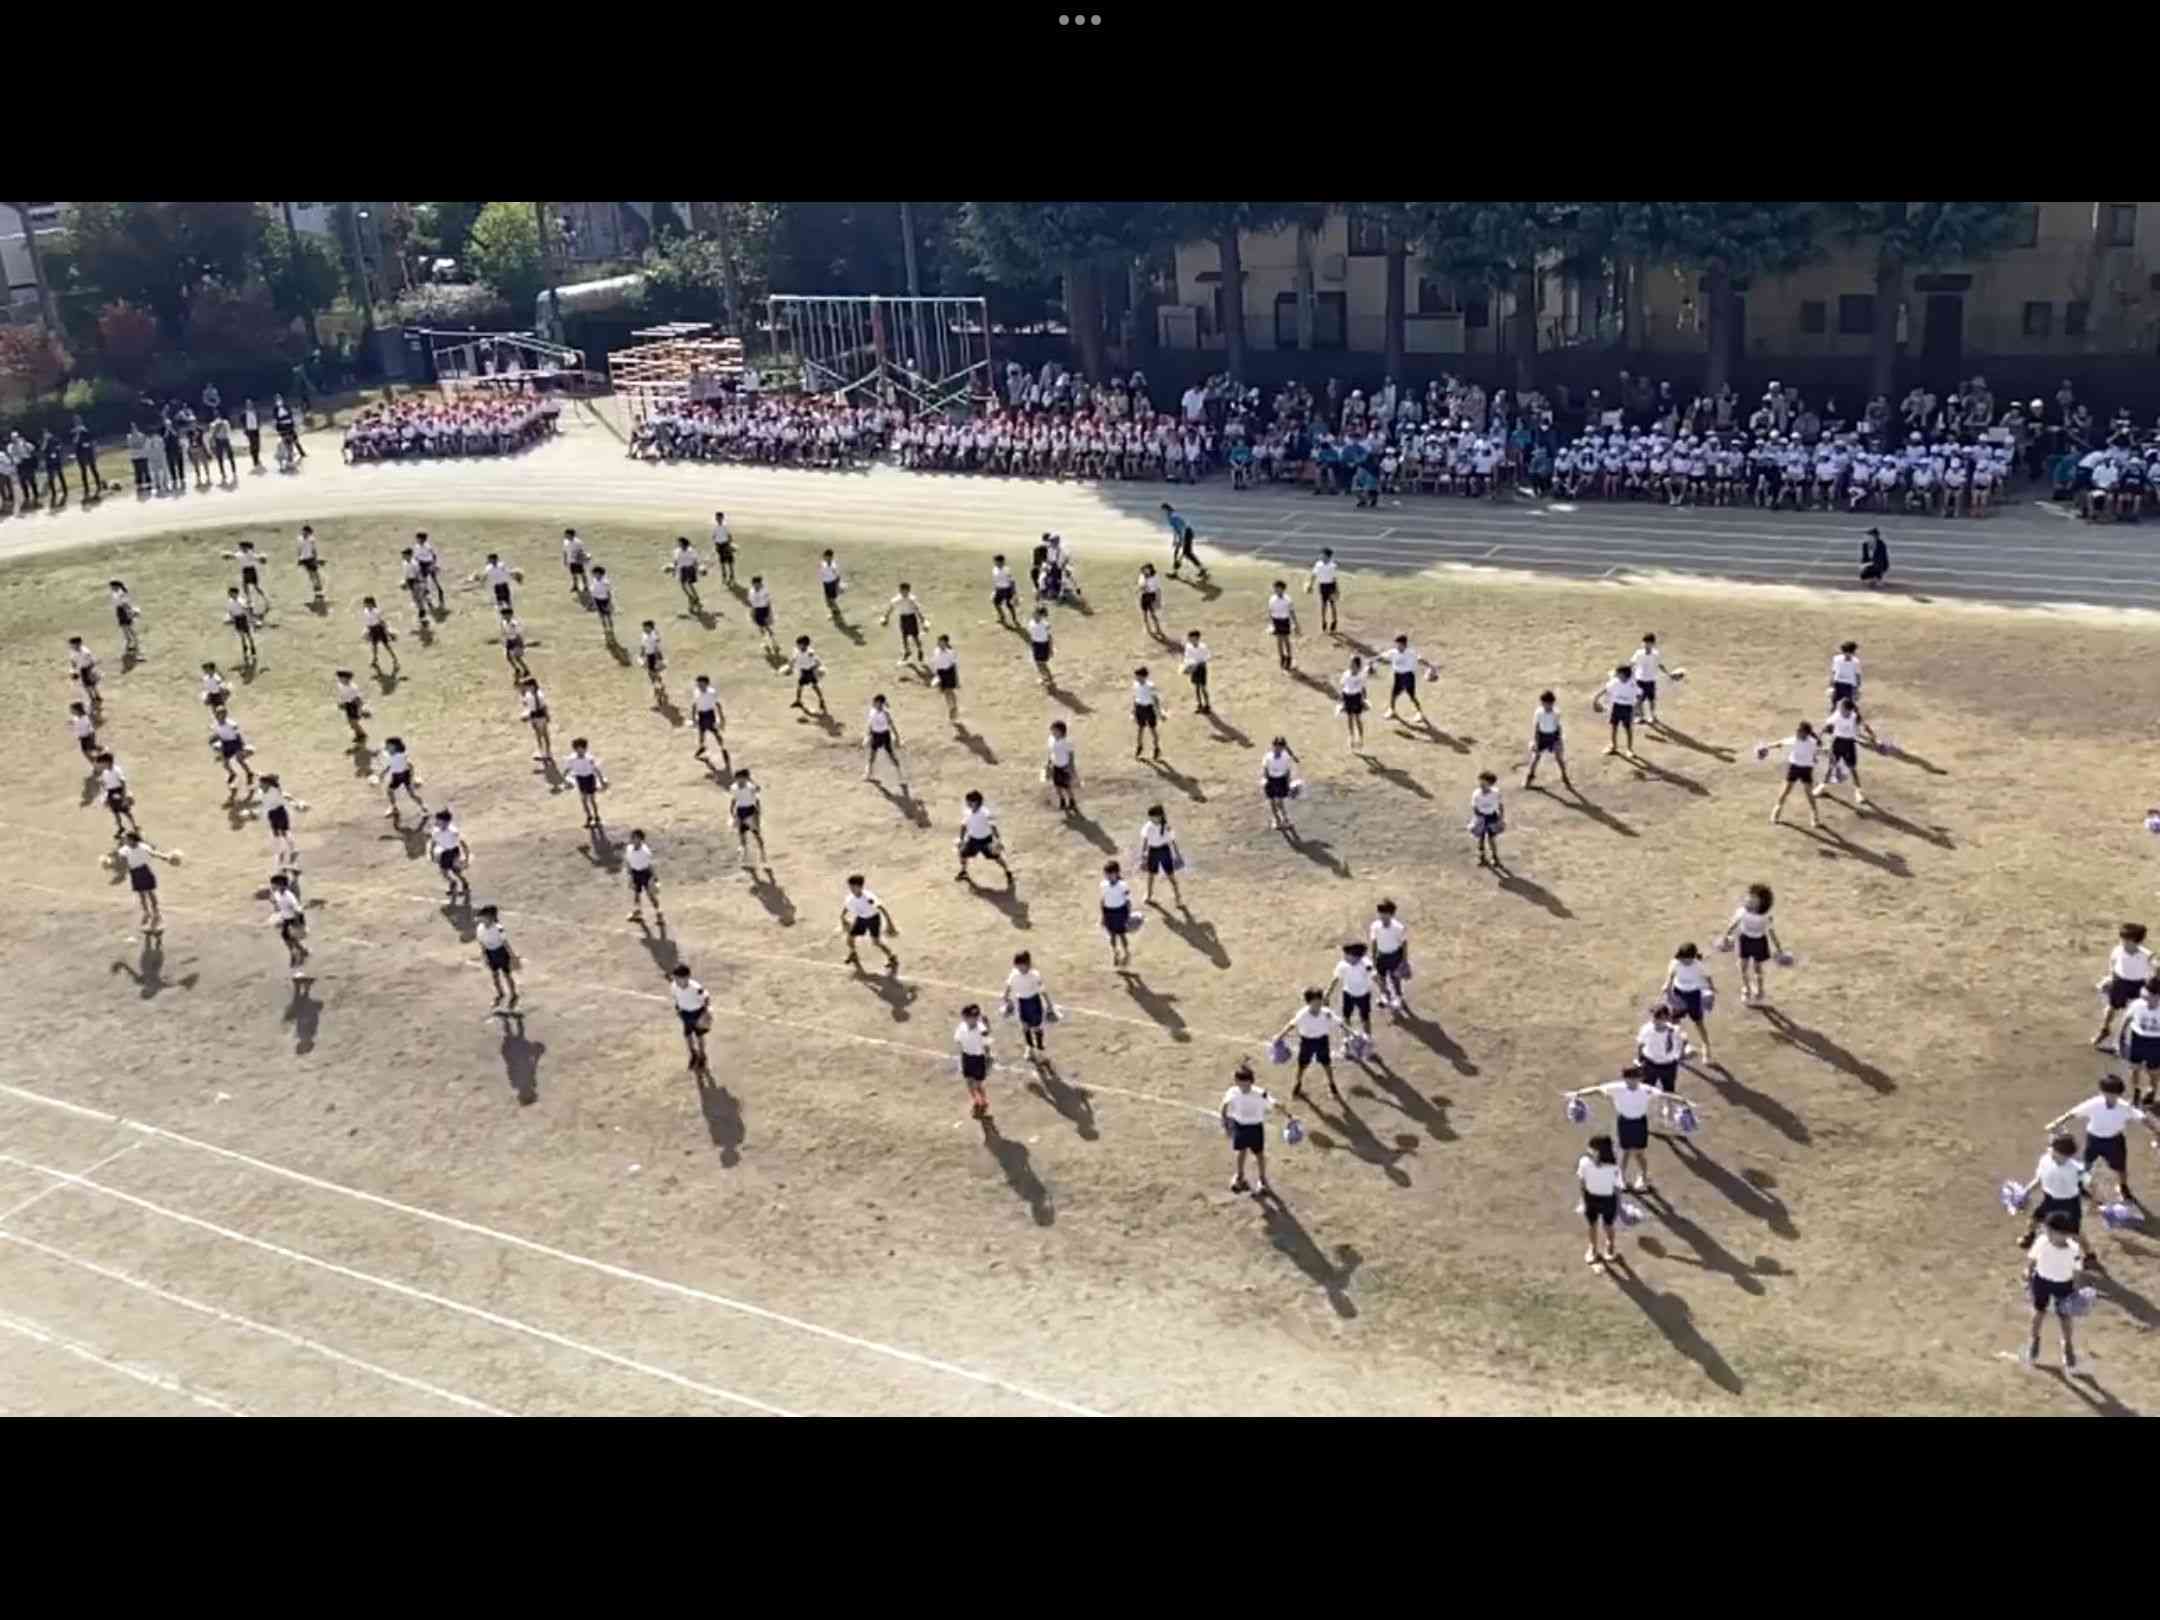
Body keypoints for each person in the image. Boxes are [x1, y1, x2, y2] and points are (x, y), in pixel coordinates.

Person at [1565, 1069, 1688, 1194]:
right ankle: (1622, 1178)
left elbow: (1663, 1095)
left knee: (1639, 1153)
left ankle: (1643, 1177)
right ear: (1625, 1079)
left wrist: (1682, 1101)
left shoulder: (1645, 1089)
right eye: (1629, 1079)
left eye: (1635, 1079)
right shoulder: (1617, 1088)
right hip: (1624, 1123)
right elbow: (1597, 1089)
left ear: (1639, 1079)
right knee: (1625, 1152)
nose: (1632, 1082)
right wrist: (1578, 1093)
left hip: (1640, 1123)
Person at [2045, 1075, 2155, 1212]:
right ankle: (2080, 1184)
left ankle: (2123, 1187)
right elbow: (2073, 1113)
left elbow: (2142, 1118)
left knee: (2120, 1168)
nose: (2111, 1097)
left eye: (2114, 1094)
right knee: (2087, 1165)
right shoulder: (2094, 1103)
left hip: (2114, 1141)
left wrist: (2156, 1131)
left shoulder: (2124, 1107)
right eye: (2108, 1093)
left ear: (2119, 1094)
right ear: (2103, 1092)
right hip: (2094, 1139)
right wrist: (2056, 1123)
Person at [2022, 1211, 2087, 1373]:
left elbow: (2077, 1271)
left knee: (2065, 1317)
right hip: (2041, 1282)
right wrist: (2027, 1273)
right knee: (2038, 1313)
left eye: (2050, 1231)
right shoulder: (2042, 1242)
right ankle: (2034, 1341)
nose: (2046, 1233)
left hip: (2064, 1285)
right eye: (2046, 1230)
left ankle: (2067, 1345)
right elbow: (2032, 1259)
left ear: (2064, 1234)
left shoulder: (2074, 1249)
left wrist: (2076, 1291)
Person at [1275, 988, 1347, 1105]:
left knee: (1326, 1064)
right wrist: (1280, 1036)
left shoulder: (1326, 1013)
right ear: (1308, 1002)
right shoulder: (1302, 1014)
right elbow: (1291, 1025)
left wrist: (1352, 1033)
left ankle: (1332, 1084)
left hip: (1322, 1041)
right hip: (1307, 1042)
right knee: (1302, 1065)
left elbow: (1340, 1023)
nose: (1318, 1004)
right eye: (1315, 1002)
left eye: (1319, 1001)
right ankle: (1298, 1084)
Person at [1719, 883, 1784, 1006]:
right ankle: (1746, 989)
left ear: (1762, 903)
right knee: (1743, 966)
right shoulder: (1742, 912)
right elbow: (1733, 925)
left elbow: (1771, 932)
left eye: (1754, 899)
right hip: (1745, 940)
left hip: (1759, 942)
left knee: (1757, 968)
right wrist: (1725, 937)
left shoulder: (1765, 917)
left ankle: (1760, 990)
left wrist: (1779, 948)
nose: (1749, 900)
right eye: (1749, 897)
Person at [2093, 923, 2154, 1050]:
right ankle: (2105, 1029)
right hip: (2120, 982)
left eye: (2126, 940)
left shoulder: (2146, 955)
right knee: (2111, 1008)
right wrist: (2109, 978)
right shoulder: (2118, 950)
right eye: (2122, 939)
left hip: (2139, 984)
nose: (2122, 942)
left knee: (2134, 1011)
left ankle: (2124, 1036)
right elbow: (2113, 963)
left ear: (2136, 942)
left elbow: (2155, 967)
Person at [1634, 1000, 1694, 1123]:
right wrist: (1640, 1061)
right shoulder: (1647, 1029)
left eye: (1658, 1018)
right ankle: (1639, 1111)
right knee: (1645, 1088)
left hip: (1668, 1065)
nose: (1655, 1021)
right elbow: (1640, 1045)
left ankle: (1669, 1111)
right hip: (1650, 1064)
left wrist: (1683, 1053)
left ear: (1666, 1018)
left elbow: (1682, 1044)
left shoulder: (1675, 1031)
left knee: (1669, 1089)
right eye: (1654, 1018)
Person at [1221, 1063, 1275, 1196]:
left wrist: (1289, 1115)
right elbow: (1224, 1105)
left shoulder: (1260, 1093)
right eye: (1240, 1083)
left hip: (1256, 1127)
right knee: (1241, 1151)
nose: (1243, 1087)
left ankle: (1262, 1180)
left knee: (1259, 1154)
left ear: (1251, 1082)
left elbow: (1273, 1102)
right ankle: (1240, 1176)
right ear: (1236, 1082)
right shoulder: (1233, 1091)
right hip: (1240, 1126)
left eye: (1246, 1084)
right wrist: (1225, 1121)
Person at [1577, 1134, 1624, 1266]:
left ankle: (1593, 1248)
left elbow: (1582, 1182)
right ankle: (1610, 1246)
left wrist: (1583, 1201)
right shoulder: (1614, 1167)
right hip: (1608, 1199)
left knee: (1592, 1225)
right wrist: (1619, 1206)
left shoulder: (1584, 1162)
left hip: (1591, 1198)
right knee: (1608, 1224)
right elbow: (1617, 1187)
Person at [1767, 722, 1823, 828]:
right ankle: (1777, 810)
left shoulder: (1813, 742)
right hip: (1794, 768)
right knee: (1785, 791)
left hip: (1806, 769)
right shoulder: (1794, 740)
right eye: (1797, 731)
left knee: (1809, 794)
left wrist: (1819, 755)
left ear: (1805, 733)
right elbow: (1780, 743)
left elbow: (1817, 752)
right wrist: (1767, 746)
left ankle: (1814, 815)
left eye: (1799, 731)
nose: (1797, 732)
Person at [1819, 698, 1870, 809]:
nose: (1838, 709)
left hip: (1849, 744)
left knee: (1852, 768)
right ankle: (1822, 787)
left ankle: (1859, 793)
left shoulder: (1854, 716)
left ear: (1847, 710)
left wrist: (1872, 737)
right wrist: (1819, 737)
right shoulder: (1837, 715)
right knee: (1831, 766)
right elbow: (1826, 726)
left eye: (1841, 707)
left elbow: (1865, 726)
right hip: (1837, 742)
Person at [840, 874, 898, 970]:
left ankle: (892, 957)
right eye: (850, 887)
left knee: (876, 942)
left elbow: (881, 908)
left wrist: (890, 923)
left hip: (873, 920)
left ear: (860, 887)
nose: (851, 889)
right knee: (850, 938)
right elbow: (847, 906)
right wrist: (842, 916)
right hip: (861, 919)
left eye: (853, 887)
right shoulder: (850, 898)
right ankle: (853, 953)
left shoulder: (869, 898)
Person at [115, 830, 168, 936]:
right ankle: (146, 912)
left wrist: (164, 857)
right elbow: (122, 861)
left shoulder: (142, 847)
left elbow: (153, 853)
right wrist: (111, 863)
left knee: (150, 892)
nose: (124, 840)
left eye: (125, 838)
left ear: (132, 839)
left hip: (144, 870)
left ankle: (155, 910)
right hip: (134, 873)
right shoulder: (124, 850)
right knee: (141, 894)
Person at [1826, 641, 1879, 745]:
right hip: (1838, 685)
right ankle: (1830, 726)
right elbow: (1834, 672)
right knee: (1834, 706)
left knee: (1852, 709)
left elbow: (1858, 676)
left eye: (1849, 653)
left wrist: (1857, 689)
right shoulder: (1837, 659)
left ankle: (1865, 731)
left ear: (1853, 652)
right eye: (1845, 652)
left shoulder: (1855, 662)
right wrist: (1831, 685)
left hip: (1849, 687)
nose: (1847, 655)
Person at [1004, 950, 1054, 1060]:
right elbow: (1009, 985)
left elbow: (1042, 990)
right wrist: (1006, 997)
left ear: (1028, 964)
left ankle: (1040, 1049)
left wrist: (1049, 1004)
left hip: (1034, 1003)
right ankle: (1030, 1047)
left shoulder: (1034, 975)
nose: (1020, 968)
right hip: (1021, 1002)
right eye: (1018, 966)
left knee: (1037, 1027)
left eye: (1023, 966)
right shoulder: (1014, 974)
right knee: (1025, 1026)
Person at [2121, 978, 2160, 1108]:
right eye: (2145, 997)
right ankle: (2135, 1093)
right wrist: (2120, 1036)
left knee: (2153, 1071)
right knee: (2134, 1068)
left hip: (2156, 1042)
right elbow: (2127, 1018)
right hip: (2137, 1038)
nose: (2147, 1001)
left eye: (2150, 998)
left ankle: (2152, 1090)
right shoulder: (2137, 1004)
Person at [666, 963, 713, 1071]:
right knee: (687, 1035)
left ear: (687, 977)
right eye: (675, 978)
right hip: (685, 1013)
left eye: (678, 978)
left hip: (697, 1013)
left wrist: (705, 1013)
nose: (676, 980)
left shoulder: (696, 988)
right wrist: (678, 1009)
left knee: (699, 1036)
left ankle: (702, 1056)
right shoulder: (674, 985)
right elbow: (676, 997)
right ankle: (693, 1054)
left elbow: (706, 998)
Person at [1522, 689, 1572, 790]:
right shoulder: (1538, 712)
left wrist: (1559, 741)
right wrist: (1536, 742)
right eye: (1544, 703)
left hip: (1553, 736)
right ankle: (1529, 778)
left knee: (1559, 758)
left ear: (1552, 703)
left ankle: (1564, 776)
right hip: (1542, 736)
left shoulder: (1556, 713)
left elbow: (1558, 727)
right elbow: (1536, 727)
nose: (1546, 706)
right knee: (1535, 757)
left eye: (1549, 703)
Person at [1135, 804, 1183, 907]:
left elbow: (1173, 841)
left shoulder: (1166, 827)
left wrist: (1178, 855)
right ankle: (1148, 895)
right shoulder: (1148, 826)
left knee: (1171, 876)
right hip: (1152, 852)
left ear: (1160, 816)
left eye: (1153, 817)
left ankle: (1178, 898)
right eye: (1150, 817)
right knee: (1151, 875)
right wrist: (1143, 855)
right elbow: (1145, 840)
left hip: (1164, 852)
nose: (1151, 819)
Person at [954, 1004, 996, 1121]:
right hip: (967, 1057)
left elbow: (987, 1044)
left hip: (978, 1059)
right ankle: (977, 1101)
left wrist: (988, 1058)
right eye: (972, 1016)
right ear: (965, 1017)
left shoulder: (981, 1030)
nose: (975, 1019)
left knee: (977, 1084)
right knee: (969, 1082)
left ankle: (983, 1102)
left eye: (976, 1016)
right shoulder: (961, 1027)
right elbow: (958, 1041)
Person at [1328, 942, 1379, 1036]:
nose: (1344, 957)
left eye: (1347, 955)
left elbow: (1375, 977)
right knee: (1346, 1016)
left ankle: (1368, 1037)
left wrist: (1384, 991)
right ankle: (1347, 1038)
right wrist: (1327, 994)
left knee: (1365, 1017)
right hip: (1348, 994)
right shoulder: (1342, 965)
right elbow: (1335, 979)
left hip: (1363, 995)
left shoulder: (1366, 964)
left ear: (1356, 956)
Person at [267, 873, 311, 980]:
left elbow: (298, 911)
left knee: (293, 943)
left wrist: (297, 925)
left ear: (281, 884)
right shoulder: (278, 893)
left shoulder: (289, 896)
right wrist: (275, 904)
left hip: (294, 921)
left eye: (274, 884)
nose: (272, 886)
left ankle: (299, 967)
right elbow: (277, 903)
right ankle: (302, 951)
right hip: (286, 920)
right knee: (286, 939)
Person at [1592, 664, 1640, 758]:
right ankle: (1613, 746)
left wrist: (1636, 708)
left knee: (1628, 729)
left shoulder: (1632, 684)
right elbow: (1605, 689)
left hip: (1627, 708)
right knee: (1614, 727)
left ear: (1623, 675)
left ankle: (1629, 749)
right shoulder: (1614, 682)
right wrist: (1596, 697)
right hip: (1616, 707)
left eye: (1618, 673)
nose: (1616, 675)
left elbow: (1639, 695)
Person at [476, 905, 520, 1008]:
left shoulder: (498, 928)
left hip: (500, 952)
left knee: (507, 975)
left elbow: (505, 943)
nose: (482, 918)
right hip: (490, 953)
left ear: (490, 917)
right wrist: (484, 955)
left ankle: (513, 994)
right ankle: (500, 993)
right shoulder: (480, 928)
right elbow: (481, 943)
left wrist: (512, 956)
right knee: (494, 975)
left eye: (484, 916)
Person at [256, 773, 301, 875]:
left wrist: (295, 803)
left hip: (280, 812)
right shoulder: (260, 792)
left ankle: (293, 851)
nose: (260, 785)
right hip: (271, 814)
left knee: (284, 832)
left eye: (262, 784)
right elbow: (262, 804)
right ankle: (281, 857)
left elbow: (285, 795)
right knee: (276, 834)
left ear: (268, 784)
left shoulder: (275, 790)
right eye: (260, 784)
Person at [376, 737, 427, 824]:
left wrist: (413, 777)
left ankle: (424, 808)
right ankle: (394, 808)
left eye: (389, 746)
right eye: (387, 746)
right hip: (396, 776)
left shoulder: (402, 755)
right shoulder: (388, 755)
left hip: (405, 775)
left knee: (412, 794)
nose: (387, 747)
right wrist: (383, 773)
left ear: (395, 747)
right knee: (390, 791)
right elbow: (389, 765)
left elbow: (410, 765)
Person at [863, 694, 908, 790]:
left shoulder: (885, 713)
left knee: (891, 756)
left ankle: (901, 776)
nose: (874, 703)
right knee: (872, 756)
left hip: (884, 735)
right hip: (875, 735)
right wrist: (867, 736)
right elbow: (870, 725)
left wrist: (897, 738)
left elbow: (892, 725)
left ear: (880, 703)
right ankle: (868, 774)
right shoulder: (872, 712)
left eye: (876, 702)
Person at [427, 808, 472, 903]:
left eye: (439, 820)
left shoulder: (453, 832)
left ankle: (465, 885)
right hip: (444, 853)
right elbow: (433, 842)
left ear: (446, 822)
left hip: (453, 853)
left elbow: (463, 844)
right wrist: (431, 852)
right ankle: (454, 884)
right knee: (444, 872)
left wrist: (466, 858)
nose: (437, 822)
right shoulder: (436, 830)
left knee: (456, 872)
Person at [208, 706, 256, 792]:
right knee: (225, 764)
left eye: (223, 714)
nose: (221, 716)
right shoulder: (214, 724)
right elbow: (217, 735)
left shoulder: (231, 724)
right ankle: (232, 774)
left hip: (235, 743)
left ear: (226, 715)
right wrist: (214, 743)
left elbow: (238, 736)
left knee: (239, 760)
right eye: (219, 714)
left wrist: (241, 747)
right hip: (225, 743)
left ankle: (249, 773)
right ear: (216, 715)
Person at [564, 739, 609, 828]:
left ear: (585, 749)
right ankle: (589, 817)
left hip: (589, 778)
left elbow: (596, 770)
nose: (580, 751)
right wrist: (563, 779)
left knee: (592, 800)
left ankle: (597, 817)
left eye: (581, 749)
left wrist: (601, 781)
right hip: (580, 779)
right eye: (577, 749)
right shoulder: (572, 759)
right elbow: (568, 769)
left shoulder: (589, 759)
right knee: (584, 800)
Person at [1383, 635, 1428, 725]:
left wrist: (1429, 665)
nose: (1397, 646)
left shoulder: (1410, 653)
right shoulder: (1393, 652)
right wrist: (1372, 662)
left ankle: (1420, 713)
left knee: (1411, 696)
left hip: (1408, 676)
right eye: (1397, 644)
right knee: (1393, 695)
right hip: (1398, 676)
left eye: (1399, 644)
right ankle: (1392, 710)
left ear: (1404, 644)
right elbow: (1384, 656)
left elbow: (1419, 659)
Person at [1260, 736, 1300, 834]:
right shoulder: (1268, 756)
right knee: (1272, 801)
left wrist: (1288, 783)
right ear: (1273, 746)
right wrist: (1265, 779)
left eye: (1280, 747)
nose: (1278, 749)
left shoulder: (1285, 757)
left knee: (1280, 802)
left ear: (1282, 747)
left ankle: (1285, 819)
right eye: (1276, 746)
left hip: (1281, 780)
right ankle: (1277, 820)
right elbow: (1265, 769)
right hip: (1271, 780)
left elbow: (1287, 771)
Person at [1098, 859, 1135, 967]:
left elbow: (1128, 901)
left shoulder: (1123, 885)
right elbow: (1103, 900)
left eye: (1110, 874)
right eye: (1106, 874)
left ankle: (1127, 953)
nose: (1108, 876)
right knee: (1112, 935)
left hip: (1120, 912)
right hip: (1108, 912)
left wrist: (1128, 916)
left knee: (1122, 935)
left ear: (1117, 873)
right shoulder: (1103, 885)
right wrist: (1103, 916)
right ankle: (1115, 952)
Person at [1631, 633, 1671, 729]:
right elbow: (1632, 664)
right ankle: (1640, 716)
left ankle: (1652, 715)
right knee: (1639, 700)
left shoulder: (1656, 654)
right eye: (1644, 642)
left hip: (1650, 680)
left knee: (1651, 699)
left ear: (1652, 644)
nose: (1645, 645)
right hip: (1639, 680)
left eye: (1648, 643)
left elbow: (1660, 665)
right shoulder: (1638, 653)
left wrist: (1668, 673)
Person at [623, 829, 664, 926]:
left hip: (645, 874)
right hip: (635, 873)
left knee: (651, 896)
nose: (632, 839)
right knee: (636, 894)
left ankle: (659, 914)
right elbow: (628, 861)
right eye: (632, 837)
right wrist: (630, 874)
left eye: (634, 837)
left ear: (640, 839)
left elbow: (649, 865)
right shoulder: (629, 848)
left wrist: (654, 878)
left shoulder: (645, 852)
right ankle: (638, 912)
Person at [882, 583, 928, 666]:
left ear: (909, 591)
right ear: (900, 590)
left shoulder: (912, 599)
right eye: (902, 591)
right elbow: (890, 608)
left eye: (906, 591)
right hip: (903, 618)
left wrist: (923, 620)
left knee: (915, 637)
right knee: (904, 637)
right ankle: (907, 652)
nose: (904, 593)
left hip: (911, 618)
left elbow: (917, 610)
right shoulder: (896, 600)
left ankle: (920, 650)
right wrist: (886, 617)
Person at [730, 768, 768, 868]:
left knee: (756, 835)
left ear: (746, 778)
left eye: (741, 778)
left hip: (750, 812)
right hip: (740, 812)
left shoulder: (751, 787)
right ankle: (745, 857)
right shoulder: (733, 787)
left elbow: (757, 794)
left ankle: (762, 853)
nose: (739, 780)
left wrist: (758, 812)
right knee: (742, 836)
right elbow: (734, 799)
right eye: (737, 778)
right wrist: (732, 811)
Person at [1469, 770, 1506, 870]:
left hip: (1492, 817)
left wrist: (1501, 818)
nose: (1481, 785)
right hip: (1481, 817)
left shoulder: (1496, 793)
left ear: (1490, 784)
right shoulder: (1476, 793)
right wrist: (1478, 819)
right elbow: (1474, 807)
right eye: (1480, 782)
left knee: (1491, 839)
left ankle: (1495, 857)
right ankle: (1482, 857)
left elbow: (1500, 805)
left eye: (1484, 783)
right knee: (1480, 839)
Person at [95, 751, 138, 836]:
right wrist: (106, 795)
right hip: (111, 793)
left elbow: (123, 782)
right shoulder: (105, 772)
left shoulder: (116, 770)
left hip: (119, 791)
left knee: (126, 811)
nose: (101, 765)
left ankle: (134, 825)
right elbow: (106, 784)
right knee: (115, 812)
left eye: (102, 763)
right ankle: (120, 827)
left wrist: (124, 796)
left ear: (107, 762)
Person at [1163, 501, 1207, 581]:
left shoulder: (1173, 516)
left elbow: (1182, 528)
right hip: (1185, 534)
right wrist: (1175, 540)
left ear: (1166, 509)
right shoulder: (1170, 517)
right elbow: (1175, 529)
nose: (1163, 513)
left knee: (1185, 553)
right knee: (1183, 553)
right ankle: (1201, 569)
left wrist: (1182, 540)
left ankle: (1176, 573)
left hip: (1186, 534)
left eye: (1164, 510)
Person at [786, 635, 828, 716]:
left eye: (799, 644)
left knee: (812, 686)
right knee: (805, 686)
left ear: (804, 645)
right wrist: (790, 666)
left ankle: (802, 701)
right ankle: (801, 701)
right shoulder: (797, 650)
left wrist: (819, 668)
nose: (797, 645)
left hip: (809, 671)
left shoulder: (810, 653)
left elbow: (816, 660)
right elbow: (794, 659)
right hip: (804, 671)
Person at [1130, 666, 1164, 761]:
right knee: (1140, 729)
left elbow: (1156, 700)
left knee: (1152, 729)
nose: (1136, 678)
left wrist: (1159, 713)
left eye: (1138, 676)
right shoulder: (1136, 684)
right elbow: (1135, 697)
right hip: (1139, 708)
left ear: (1143, 676)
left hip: (1149, 709)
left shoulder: (1150, 686)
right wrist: (1133, 710)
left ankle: (1157, 749)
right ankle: (1139, 747)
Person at [360, 597, 399, 676]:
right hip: (372, 629)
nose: (367, 605)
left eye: (368, 603)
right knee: (374, 646)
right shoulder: (365, 611)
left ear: (372, 603)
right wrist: (367, 630)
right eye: (366, 603)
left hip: (379, 629)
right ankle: (374, 659)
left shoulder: (376, 611)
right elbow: (367, 622)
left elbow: (381, 621)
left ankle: (394, 657)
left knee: (386, 645)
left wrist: (387, 631)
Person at [1045, 721, 1078, 814]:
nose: (1052, 733)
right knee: (1057, 785)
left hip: (1064, 767)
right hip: (1055, 766)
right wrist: (1048, 763)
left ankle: (1072, 800)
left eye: (1054, 731)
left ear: (1061, 732)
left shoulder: (1067, 742)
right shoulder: (1051, 739)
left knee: (1067, 786)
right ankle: (1062, 800)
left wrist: (1071, 767)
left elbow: (1071, 755)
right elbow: (1050, 752)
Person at [1267, 581, 1299, 671]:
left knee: (1286, 640)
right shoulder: (1272, 599)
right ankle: (1282, 657)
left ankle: (1289, 657)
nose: (1276, 590)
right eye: (1275, 588)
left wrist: (1296, 624)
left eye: (1278, 588)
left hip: (1285, 620)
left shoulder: (1288, 599)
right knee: (1279, 640)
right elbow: (1270, 611)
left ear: (1283, 589)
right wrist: (1271, 623)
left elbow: (1292, 612)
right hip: (1276, 621)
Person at [1308, 547, 1342, 632]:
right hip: (1322, 586)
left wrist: (1337, 590)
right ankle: (1323, 621)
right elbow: (1314, 575)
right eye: (1321, 555)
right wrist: (1310, 585)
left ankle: (1334, 621)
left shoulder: (1332, 566)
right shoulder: (1318, 564)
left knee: (1332, 605)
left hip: (1331, 586)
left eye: (1323, 555)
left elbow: (1334, 579)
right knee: (1323, 605)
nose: (1321, 557)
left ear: (1328, 557)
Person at [928, 635, 960, 722]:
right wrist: (936, 675)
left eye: (941, 642)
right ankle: (950, 707)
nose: (939, 643)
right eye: (939, 642)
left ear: (946, 643)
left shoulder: (950, 653)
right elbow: (935, 663)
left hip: (949, 672)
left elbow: (954, 665)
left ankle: (954, 707)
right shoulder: (936, 651)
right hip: (941, 673)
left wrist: (957, 679)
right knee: (945, 692)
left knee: (950, 690)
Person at [1180, 630, 1212, 714]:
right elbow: (1187, 657)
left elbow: (1208, 656)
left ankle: (1207, 705)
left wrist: (1201, 662)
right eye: (1189, 638)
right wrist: (1186, 666)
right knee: (1196, 687)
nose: (1190, 640)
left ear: (1197, 638)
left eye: (1192, 638)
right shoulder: (1188, 646)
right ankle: (1199, 705)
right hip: (1193, 668)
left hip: (1201, 668)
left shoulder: (1203, 646)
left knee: (1203, 688)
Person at [638, 621, 670, 706]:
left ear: (650, 628)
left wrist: (657, 661)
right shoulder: (645, 635)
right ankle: (659, 686)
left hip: (653, 657)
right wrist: (641, 656)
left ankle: (659, 697)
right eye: (644, 627)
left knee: (653, 676)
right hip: (649, 657)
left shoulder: (652, 636)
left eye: (646, 627)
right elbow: (643, 646)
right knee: (653, 676)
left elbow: (656, 648)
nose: (644, 629)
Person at [746, 574, 779, 655]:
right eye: (754, 583)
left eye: (758, 583)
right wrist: (752, 611)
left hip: (764, 610)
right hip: (756, 610)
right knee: (760, 627)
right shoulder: (751, 591)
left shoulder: (765, 590)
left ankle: (774, 642)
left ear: (760, 583)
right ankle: (765, 642)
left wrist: (769, 613)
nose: (756, 585)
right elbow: (751, 602)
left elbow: (768, 602)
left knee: (767, 627)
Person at [411, 533, 445, 611]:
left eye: (420, 539)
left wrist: (433, 565)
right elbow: (416, 557)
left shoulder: (428, 547)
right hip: (421, 565)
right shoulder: (416, 546)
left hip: (428, 564)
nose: (418, 540)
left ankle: (441, 601)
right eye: (417, 539)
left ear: (424, 539)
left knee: (435, 583)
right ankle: (428, 602)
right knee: (423, 584)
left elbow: (434, 556)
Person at [671, 536, 704, 614]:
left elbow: (695, 561)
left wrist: (698, 569)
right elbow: (675, 561)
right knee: (683, 585)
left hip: (690, 569)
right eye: (678, 543)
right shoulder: (677, 551)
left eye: (680, 542)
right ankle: (693, 598)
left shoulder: (691, 550)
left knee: (689, 584)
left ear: (684, 543)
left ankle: (693, 600)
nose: (678, 544)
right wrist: (674, 570)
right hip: (682, 569)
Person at [332, 670, 367, 744]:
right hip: (348, 704)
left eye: (340, 677)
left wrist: (360, 711)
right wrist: (342, 703)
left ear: (346, 678)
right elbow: (343, 695)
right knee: (351, 722)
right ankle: (359, 733)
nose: (338, 679)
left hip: (354, 705)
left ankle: (362, 735)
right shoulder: (340, 684)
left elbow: (358, 701)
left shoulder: (353, 688)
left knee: (353, 722)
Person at [108, 581, 141, 658]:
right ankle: (131, 642)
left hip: (123, 611)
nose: (111, 588)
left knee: (127, 627)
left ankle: (133, 642)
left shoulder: (120, 593)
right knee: (126, 627)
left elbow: (125, 604)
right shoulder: (117, 593)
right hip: (120, 611)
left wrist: (129, 612)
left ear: (115, 586)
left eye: (112, 586)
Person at [1025, 606, 1055, 688]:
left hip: (1043, 645)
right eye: (1034, 613)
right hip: (1036, 644)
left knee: (1042, 664)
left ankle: (1050, 679)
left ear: (1041, 615)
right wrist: (1032, 644)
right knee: (1038, 663)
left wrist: (1051, 649)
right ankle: (1045, 678)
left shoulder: (1045, 625)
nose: (1033, 614)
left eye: (1036, 613)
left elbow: (1049, 637)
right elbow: (1032, 634)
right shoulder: (1031, 622)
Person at [990, 554, 1021, 630]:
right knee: (996, 602)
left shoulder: (1006, 569)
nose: (996, 563)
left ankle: (1014, 619)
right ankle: (1002, 616)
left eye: (997, 562)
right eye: (995, 562)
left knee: (1009, 605)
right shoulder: (994, 569)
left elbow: (1012, 581)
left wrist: (1013, 592)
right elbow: (995, 580)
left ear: (1002, 562)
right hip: (999, 589)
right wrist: (995, 589)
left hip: (1007, 589)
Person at [295, 525, 324, 603]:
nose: (307, 534)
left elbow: (314, 550)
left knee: (316, 576)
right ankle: (317, 593)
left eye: (308, 533)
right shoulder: (299, 539)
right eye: (306, 532)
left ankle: (319, 592)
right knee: (312, 576)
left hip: (311, 558)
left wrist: (316, 559)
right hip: (305, 560)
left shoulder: (311, 539)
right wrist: (299, 558)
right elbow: (299, 549)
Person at [818, 549, 845, 620]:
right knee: (828, 599)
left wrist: (838, 585)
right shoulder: (823, 563)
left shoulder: (833, 566)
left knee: (830, 599)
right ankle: (835, 611)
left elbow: (837, 576)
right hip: (826, 583)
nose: (824, 557)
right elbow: (821, 572)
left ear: (830, 557)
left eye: (826, 556)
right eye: (824, 556)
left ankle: (835, 612)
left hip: (831, 583)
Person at [562, 529, 590, 597]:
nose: (565, 535)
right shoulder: (565, 541)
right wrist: (565, 559)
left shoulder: (578, 542)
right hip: (571, 561)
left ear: (571, 535)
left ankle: (586, 586)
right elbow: (565, 551)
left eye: (566, 534)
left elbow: (582, 551)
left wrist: (581, 558)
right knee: (573, 574)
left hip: (578, 561)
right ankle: (575, 586)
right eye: (565, 534)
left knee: (582, 574)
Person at [710, 512, 736, 587]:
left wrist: (729, 545)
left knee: (730, 562)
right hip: (719, 546)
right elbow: (714, 536)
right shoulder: (715, 527)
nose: (717, 519)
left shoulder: (725, 526)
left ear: (722, 518)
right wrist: (716, 544)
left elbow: (730, 536)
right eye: (716, 517)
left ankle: (732, 576)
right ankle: (724, 577)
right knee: (722, 563)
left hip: (726, 545)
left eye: (719, 517)